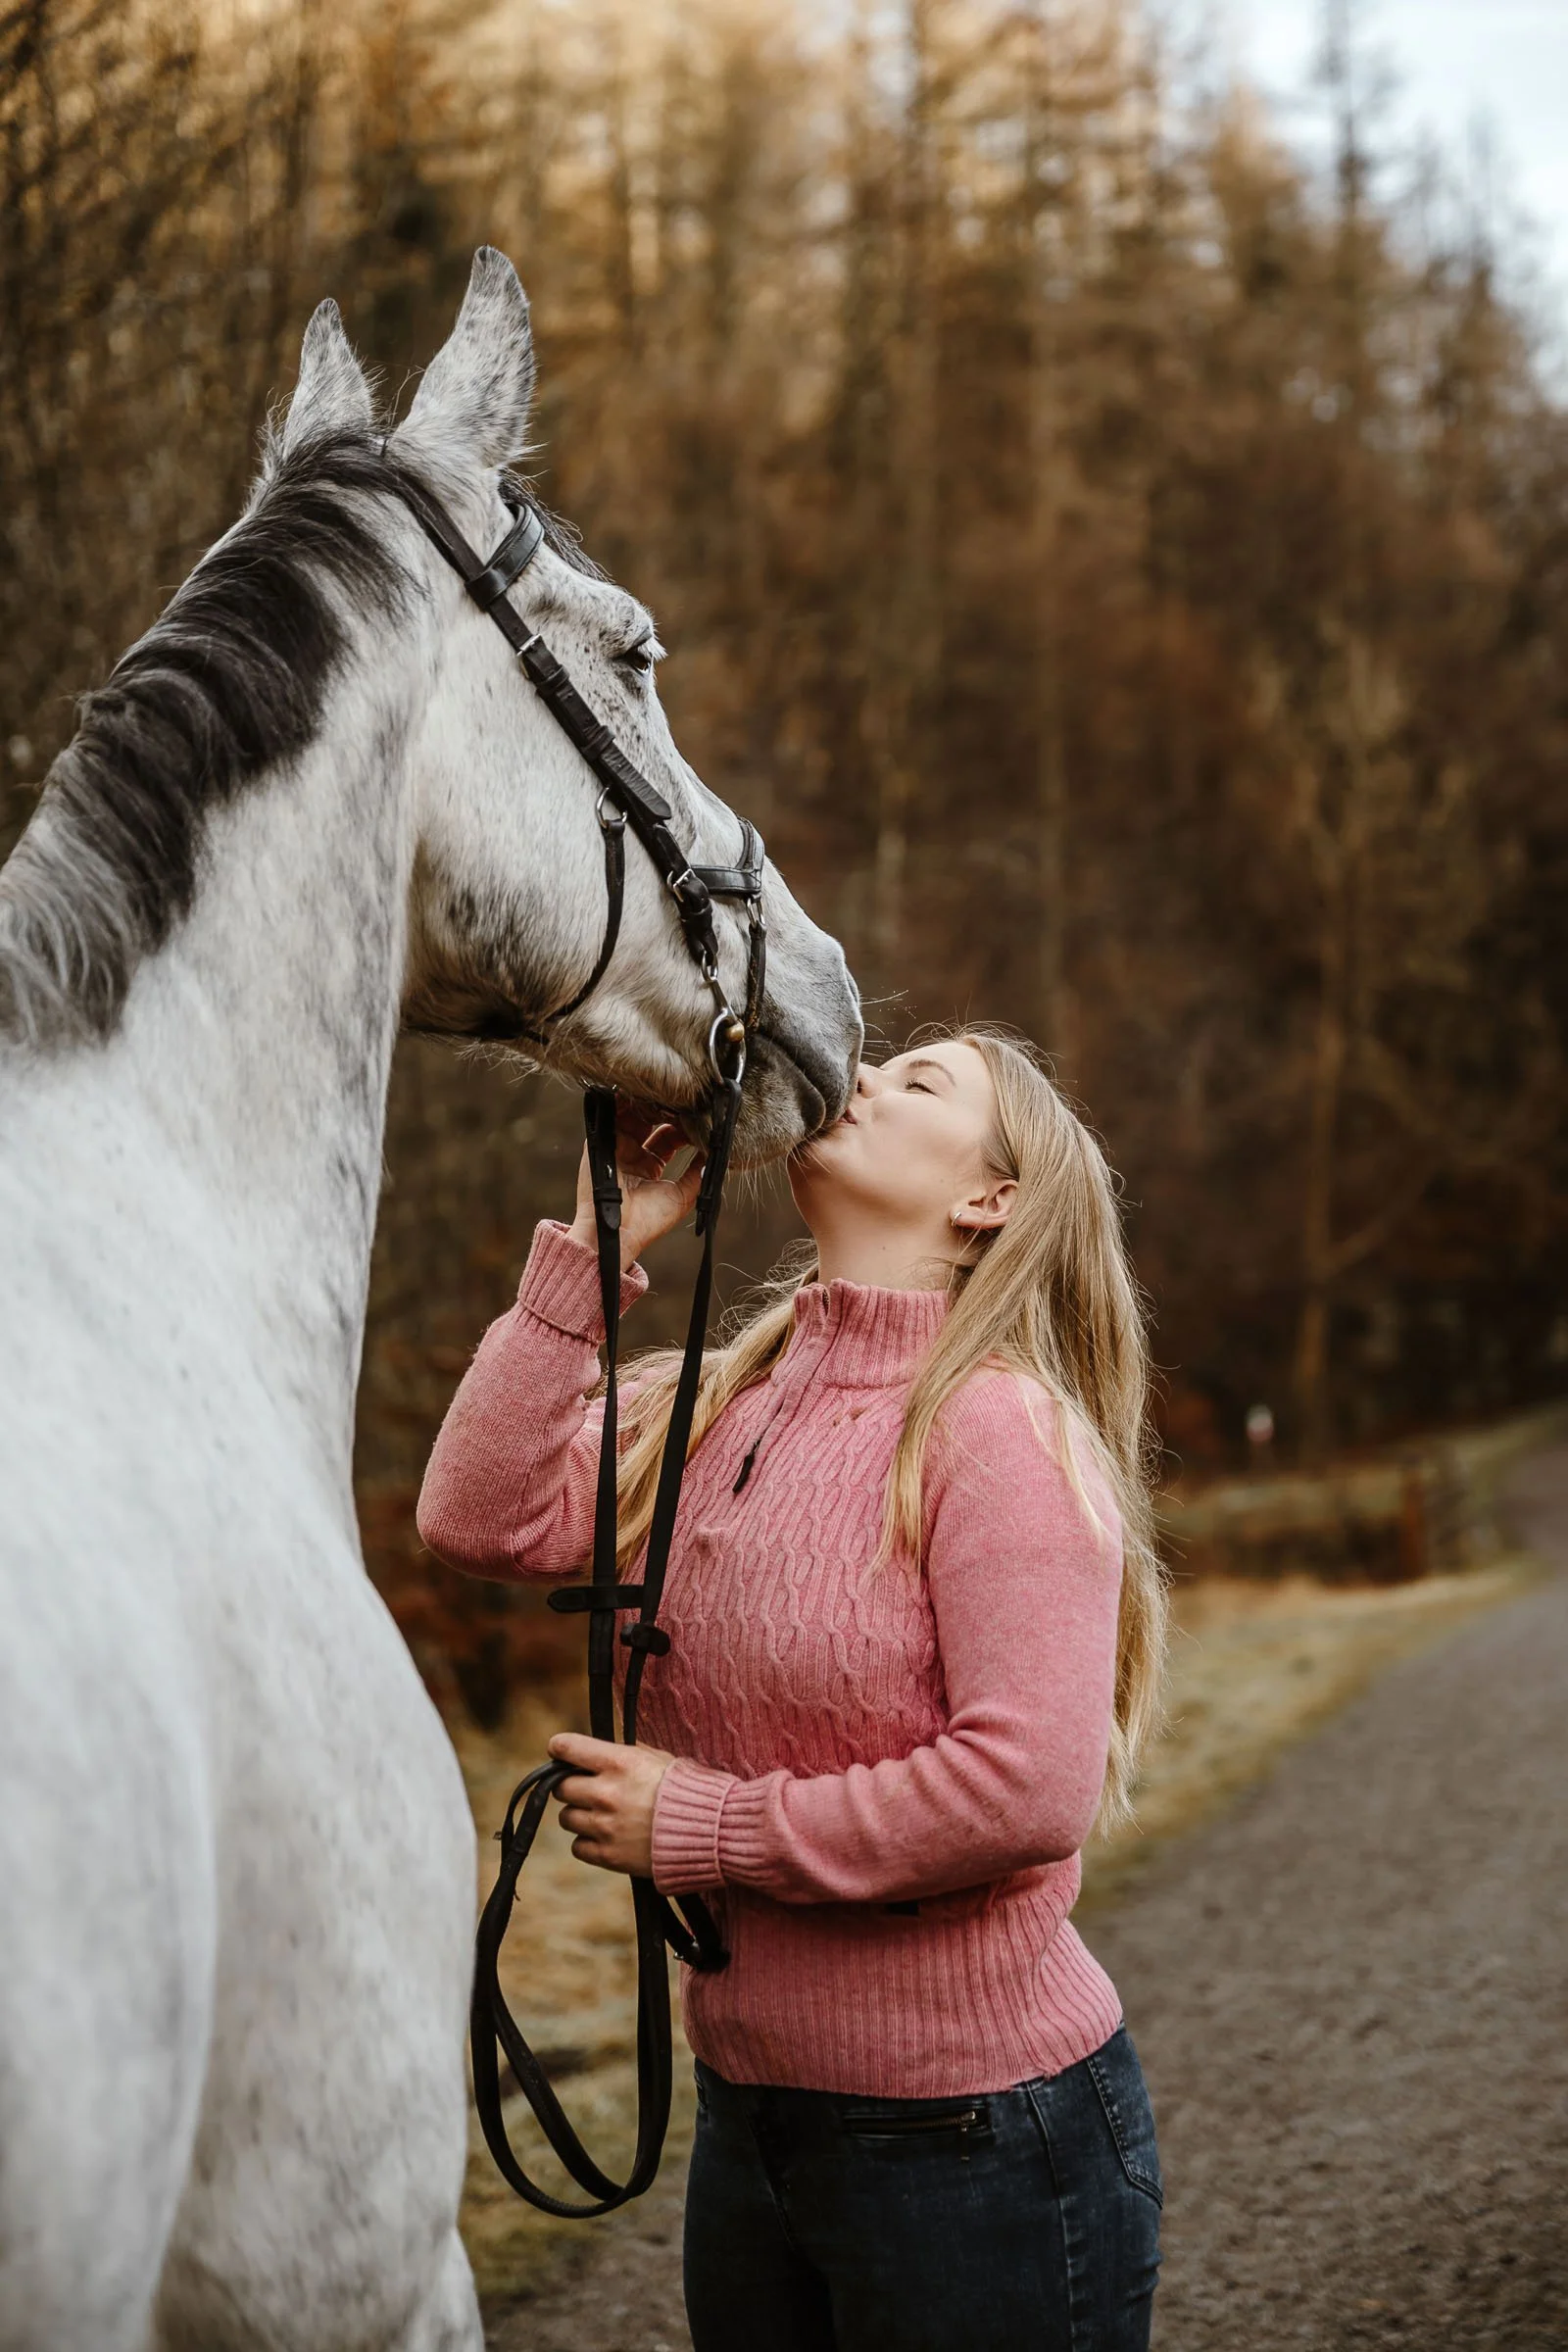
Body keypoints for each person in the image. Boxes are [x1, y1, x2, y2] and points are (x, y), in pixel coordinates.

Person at [418, 1025, 1167, 2352]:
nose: (856, 1077)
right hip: (752, 2123)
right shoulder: (721, 1399)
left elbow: (1027, 1788)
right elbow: (476, 1516)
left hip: (979, 2140)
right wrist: (606, 1244)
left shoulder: (998, 1431)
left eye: (914, 1081)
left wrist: (702, 1829)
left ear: (986, 1198)